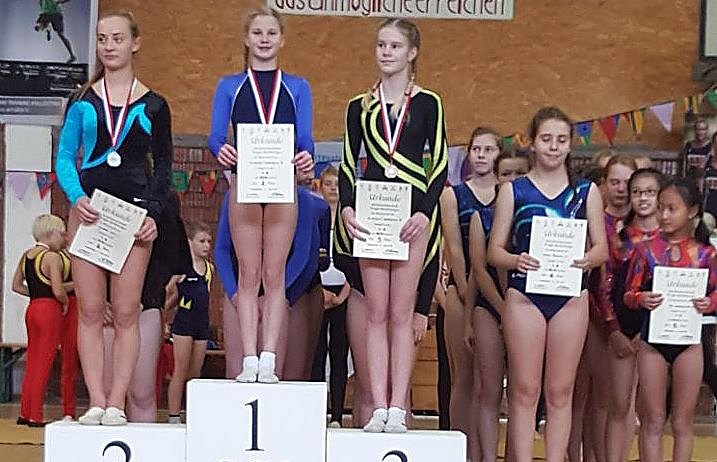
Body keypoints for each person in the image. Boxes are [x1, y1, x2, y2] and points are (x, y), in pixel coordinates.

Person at [55, 11, 171, 425]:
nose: (109, 46)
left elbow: (164, 168)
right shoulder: (82, 102)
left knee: (125, 311)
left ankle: (118, 403)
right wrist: (77, 197)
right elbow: (65, 157)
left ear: (135, 43)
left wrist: (153, 212)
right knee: (89, 311)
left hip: (132, 218)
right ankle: (96, 400)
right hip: (89, 213)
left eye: (117, 38)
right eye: (102, 39)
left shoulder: (155, 105)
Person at [338, 18, 448, 433]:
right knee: (376, 313)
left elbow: (439, 163)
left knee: (402, 315)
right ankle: (378, 406)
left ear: (412, 52)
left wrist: (424, 212)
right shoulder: (359, 106)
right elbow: (348, 163)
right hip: (372, 213)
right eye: (381, 45)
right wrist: (348, 209)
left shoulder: (429, 103)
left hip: (411, 217)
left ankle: (398, 407)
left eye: (395, 46)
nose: (386, 52)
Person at [488, 107, 608, 462]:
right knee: (525, 389)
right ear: (532, 143)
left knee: (560, 391)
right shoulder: (514, 191)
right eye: (546, 139)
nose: (554, 147)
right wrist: (515, 260)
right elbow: (494, 251)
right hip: (525, 295)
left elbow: (602, 248)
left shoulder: (586, 192)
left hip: (569, 296)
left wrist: (588, 259)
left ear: (570, 145)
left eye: (561, 140)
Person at [208, 7, 314, 384]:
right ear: (246, 38)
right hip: (246, 184)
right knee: (249, 272)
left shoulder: (298, 87)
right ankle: (249, 358)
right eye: (257, 33)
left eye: (271, 33)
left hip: (283, 184)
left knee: (274, 273)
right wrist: (221, 150)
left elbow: (305, 138)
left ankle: (269, 357)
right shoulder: (230, 86)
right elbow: (216, 136)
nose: (264, 39)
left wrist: (306, 156)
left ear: (282, 40)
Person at [623, 178, 717, 462]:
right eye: (660, 208)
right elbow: (628, 294)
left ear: (692, 211)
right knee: (652, 419)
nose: (663, 215)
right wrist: (641, 298)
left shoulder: (705, 254)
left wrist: (710, 303)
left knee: (682, 421)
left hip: (689, 341)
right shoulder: (645, 250)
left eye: (671, 209)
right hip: (653, 340)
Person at [215, 184, 330, 380]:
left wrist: (284, 295)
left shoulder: (304, 200)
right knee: (235, 371)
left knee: (291, 373)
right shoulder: (235, 194)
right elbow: (221, 250)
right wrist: (233, 293)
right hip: (241, 285)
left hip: (289, 288)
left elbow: (304, 255)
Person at [440, 127, 501, 457]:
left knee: (489, 382)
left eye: (488, 150)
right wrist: (467, 294)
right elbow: (453, 247)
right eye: (476, 149)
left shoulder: (508, 194)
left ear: (498, 155)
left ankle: (484, 451)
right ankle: (460, 451)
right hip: (461, 290)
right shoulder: (454, 195)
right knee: (463, 378)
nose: (481, 155)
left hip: (499, 295)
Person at [464, 150, 529, 462]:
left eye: (519, 173)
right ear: (496, 178)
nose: (512, 180)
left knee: (521, 391)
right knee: (489, 391)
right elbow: (478, 270)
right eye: (506, 174)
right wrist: (503, 310)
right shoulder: (483, 216)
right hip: (490, 305)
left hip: (527, 307)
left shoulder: (536, 219)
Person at [600, 168, 663, 462]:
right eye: (637, 192)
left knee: (652, 411)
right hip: (623, 330)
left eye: (650, 192)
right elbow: (604, 287)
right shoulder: (619, 240)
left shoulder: (673, 242)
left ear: (660, 196)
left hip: (658, 332)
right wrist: (613, 329)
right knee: (619, 405)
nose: (643, 198)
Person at [12, 214, 69, 427]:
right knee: (44, 363)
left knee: (32, 362)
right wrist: (65, 301)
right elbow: (58, 290)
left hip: (33, 308)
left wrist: (37, 294)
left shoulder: (26, 255)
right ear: (50, 233)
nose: (63, 239)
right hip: (49, 310)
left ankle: (25, 412)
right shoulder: (51, 257)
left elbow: (16, 286)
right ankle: (35, 416)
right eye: (61, 234)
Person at [311, 166, 351, 428]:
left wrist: (343, 293)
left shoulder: (350, 220)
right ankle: (316, 412)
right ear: (320, 187)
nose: (333, 188)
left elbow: (357, 259)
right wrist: (319, 291)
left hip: (343, 292)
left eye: (337, 183)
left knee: (339, 353)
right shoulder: (316, 217)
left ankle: (337, 414)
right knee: (317, 353)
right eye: (328, 184)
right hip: (318, 290)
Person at [164, 222, 213, 424]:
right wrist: (164, 320)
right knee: (180, 370)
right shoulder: (182, 269)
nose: (206, 246)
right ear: (190, 242)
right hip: (184, 324)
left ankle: (192, 413)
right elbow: (169, 295)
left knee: (195, 373)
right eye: (202, 241)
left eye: (209, 241)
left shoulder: (210, 269)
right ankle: (173, 415)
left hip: (202, 324)